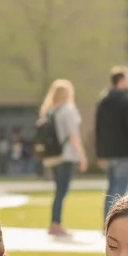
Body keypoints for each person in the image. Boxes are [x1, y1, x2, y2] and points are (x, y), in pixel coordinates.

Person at [39, 79, 88, 237]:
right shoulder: (68, 110)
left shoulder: (49, 111)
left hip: (54, 155)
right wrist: (82, 156)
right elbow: (73, 136)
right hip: (66, 155)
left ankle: (55, 222)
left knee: (58, 189)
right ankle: (55, 223)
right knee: (62, 190)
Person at [95, 66, 128, 221]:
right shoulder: (126, 100)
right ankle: (118, 223)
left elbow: (98, 129)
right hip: (124, 152)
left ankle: (107, 222)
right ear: (121, 80)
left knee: (111, 189)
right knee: (122, 190)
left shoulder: (103, 100)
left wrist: (99, 153)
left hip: (108, 153)